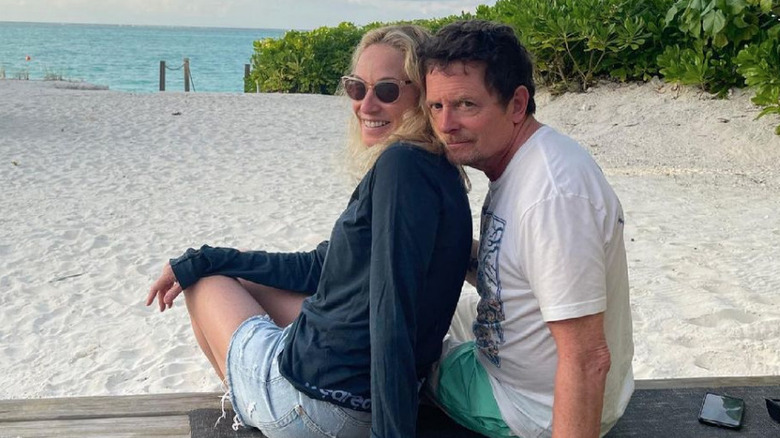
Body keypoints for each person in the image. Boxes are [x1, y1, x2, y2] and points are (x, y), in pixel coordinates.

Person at [146, 25, 472, 438]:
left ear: (423, 94)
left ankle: (253, 415)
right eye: (356, 87)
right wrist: (204, 257)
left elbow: (394, 315)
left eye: (387, 90)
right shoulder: (437, 170)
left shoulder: (401, 169)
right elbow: (322, 267)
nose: (365, 104)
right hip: (355, 390)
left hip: (319, 408)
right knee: (223, 272)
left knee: (205, 286)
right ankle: (257, 405)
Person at [420, 20, 634, 438]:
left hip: (532, 410)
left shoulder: (553, 195)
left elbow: (588, 358)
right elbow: (515, 268)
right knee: (426, 313)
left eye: (465, 105)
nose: (446, 126)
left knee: (404, 356)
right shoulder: (521, 164)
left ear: (517, 105)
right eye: (435, 107)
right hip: (523, 364)